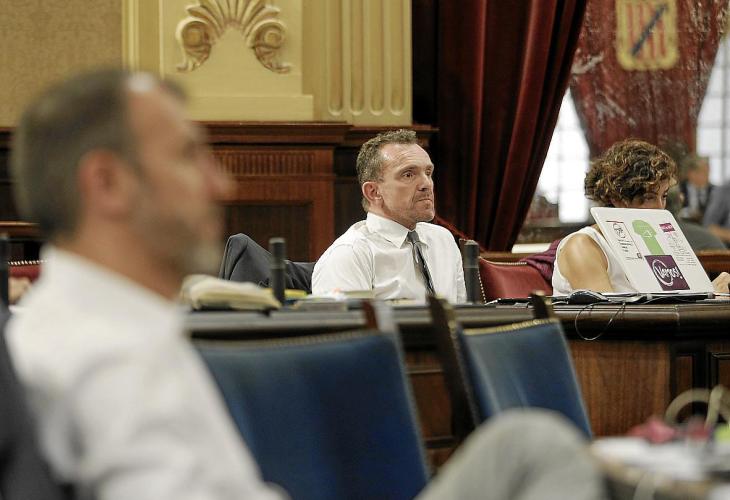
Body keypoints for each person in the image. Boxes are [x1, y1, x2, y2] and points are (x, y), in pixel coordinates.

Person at [7, 69, 607, 500]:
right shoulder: (95, 357)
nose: (221, 185)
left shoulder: (120, 324)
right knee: (544, 449)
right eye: (188, 156)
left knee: (529, 443)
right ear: (107, 183)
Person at [553, 139, 730, 295]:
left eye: (664, 196)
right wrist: (710, 295)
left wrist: (711, 292)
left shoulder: (652, 242)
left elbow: (678, 299)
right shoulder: (582, 245)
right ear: (617, 198)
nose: (661, 208)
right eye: (649, 198)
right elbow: (608, 317)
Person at [312, 129, 467, 303]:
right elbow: (347, 322)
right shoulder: (349, 255)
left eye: (428, 173)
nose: (426, 184)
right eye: (408, 174)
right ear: (373, 192)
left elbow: (462, 315)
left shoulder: (443, 240)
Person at [678, 153, 713, 223]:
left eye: (707, 172)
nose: (705, 175)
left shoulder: (715, 191)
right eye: (700, 171)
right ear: (689, 173)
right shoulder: (678, 189)